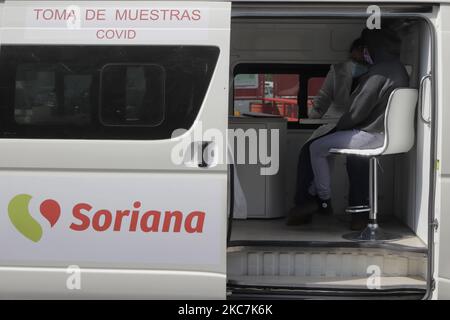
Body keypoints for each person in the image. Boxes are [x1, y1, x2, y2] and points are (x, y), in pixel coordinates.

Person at [287, 28, 409, 227]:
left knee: (329, 151)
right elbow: (324, 98)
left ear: (367, 50)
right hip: (359, 126)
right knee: (309, 150)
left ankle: (329, 203)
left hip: (361, 127)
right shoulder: (390, 70)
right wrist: (314, 115)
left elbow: (356, 111)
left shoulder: (377, 74)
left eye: (362, 55)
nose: (360, 61)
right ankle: (309, 201)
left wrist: (343, 126)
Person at [308, 38, 368, 120]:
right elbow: (324, 96)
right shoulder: (337, 70)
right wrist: (315, 114)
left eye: (361, 62)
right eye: (355, 60)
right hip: (336, 119)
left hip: (362, 121)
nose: (357, 63)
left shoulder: (375, 73)